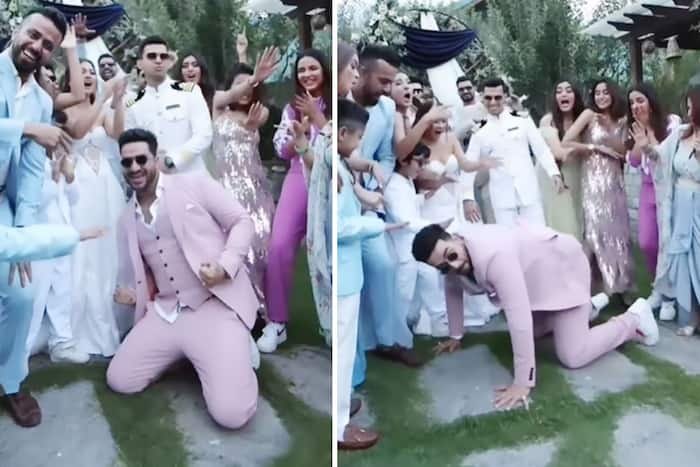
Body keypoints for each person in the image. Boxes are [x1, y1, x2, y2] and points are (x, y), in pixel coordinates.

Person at [412, 222, 659, 409]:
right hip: (538, 281)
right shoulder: (457, 256)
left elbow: (518, 317)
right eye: (443, 267)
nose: (453, 266)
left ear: (454, 238)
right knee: (535, 332)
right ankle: (588, 308)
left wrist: (523, 382)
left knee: (573, 355)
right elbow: (453, 289)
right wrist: (455, 335)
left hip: (563, 269)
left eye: (451, 256)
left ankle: (634, 320)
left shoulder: (495, 256)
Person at [107, 128, 260, 429]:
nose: (134, 167)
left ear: (156, 158)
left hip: (213, 305)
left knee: (231, 415)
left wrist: (224, 266)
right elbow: (148, 273)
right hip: (166, 313)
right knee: (121, 380)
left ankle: (237, 354)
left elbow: (242, 221)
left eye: (141, 159)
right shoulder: (126, 218)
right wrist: (135, 296)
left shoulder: (194, 184)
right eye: (127, 162)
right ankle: (186, 355)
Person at [0, 6, 71, 428]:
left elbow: (29, 172)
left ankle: (10, 381)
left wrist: (23, 231)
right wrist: (26, 129)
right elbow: (29, 137)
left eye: (48, 45)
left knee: (21, 295)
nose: (37, 46)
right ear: (16, 29)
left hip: (2, 205)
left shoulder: (43, 102)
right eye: (34, 35)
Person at [259, 48, 331, 352]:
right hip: (298, 176)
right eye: (302, 70)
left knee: (331, 250)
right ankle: (276, 321)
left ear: (324, 70)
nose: (307, 74)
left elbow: (343, 143)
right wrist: (298, 133)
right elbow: (280, 149)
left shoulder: (336, 103)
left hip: (331, 180)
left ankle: (334, 322)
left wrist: (319, 118)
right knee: (279, 246)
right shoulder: (291, 108)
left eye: (313, 68)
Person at [351, 45, 418, 371]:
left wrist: (376, 187)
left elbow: (388, 156)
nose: (388, 88)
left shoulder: (388, 108)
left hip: (370, 203)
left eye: (392, 81)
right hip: (338, 199)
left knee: (384, 266)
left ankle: (389, 340)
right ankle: (353, 343)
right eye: (383, 81)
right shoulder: (340, 101)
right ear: (362, 72)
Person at [62, 59, 128, 357]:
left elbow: (117, 133)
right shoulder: (64, 110)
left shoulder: (102, 108)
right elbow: (78, 133)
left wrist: (118, 101)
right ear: (71, 80)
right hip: (79, 187)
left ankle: (110, 317)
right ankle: (77, 327)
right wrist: (103, 96)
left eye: (91, 72)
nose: (88, 76)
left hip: (105, 188)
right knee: (83, 253)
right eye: (83, 72)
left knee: (109, 251)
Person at [337, 98, 391, 450]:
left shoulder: (341, 164)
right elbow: (340, 227)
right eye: (358, 138)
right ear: (343, 134)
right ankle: (339, 427)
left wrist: (365, 199)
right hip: (343, 276)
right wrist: (377, 226)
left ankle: (342, 403)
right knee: (343, 352)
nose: (359, 146)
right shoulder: (336, 173)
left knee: (345, 348)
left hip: (346, 273)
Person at [212, 61, 277, 313]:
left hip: (254, 195)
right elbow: (225, 97)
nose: (246, 90)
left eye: (251, 85)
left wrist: (250, 127)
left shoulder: (259, 113)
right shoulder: (218, 106)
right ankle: (233, 307)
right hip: (224, 193)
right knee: (228, 251)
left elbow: (260, 117)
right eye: (239, 84)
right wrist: (250, 78)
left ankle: (260, 310)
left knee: (258, 253)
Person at [563, 79, 634, 302]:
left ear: (613, 94)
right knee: (596, 233)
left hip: (615, 183)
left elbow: (624, 154)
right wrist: (596, 147)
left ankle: (623, 286)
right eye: (597, 93)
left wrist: (614, 136)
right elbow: (567, 141)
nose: (601, 97)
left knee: (619, 233)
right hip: (593, 183)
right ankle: (595, 287)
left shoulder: (622, 120)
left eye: (605, 92)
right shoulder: (588, 116)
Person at [463, 78, 564, 226]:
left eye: (497, 97)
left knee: (538, 236)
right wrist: (467, 198)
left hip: (528, 192)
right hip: (502, 198)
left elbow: (541, 149)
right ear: (482, 99)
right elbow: (468, 165)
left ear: (505, 97)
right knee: (510, 239)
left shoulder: (522, 120)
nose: (493, 102)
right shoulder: (479, 131)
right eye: (488, 98)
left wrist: (553, 172)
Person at [641, 86, 700, 336]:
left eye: (691, 107)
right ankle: (691, 318)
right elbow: (660, 156)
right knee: (682, 260)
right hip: (679, 205)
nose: (688, 112)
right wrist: (645, 146)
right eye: (687, 107)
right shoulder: (680, 133)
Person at [626, 83, 680, 320]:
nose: (636, 106)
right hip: (648, 188)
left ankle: (670, 295)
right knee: (648, 242)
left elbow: (666, 156)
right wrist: (640, 139)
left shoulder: (671, 123)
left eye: (640, 100)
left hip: (669, 188)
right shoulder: (635, 129)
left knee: (668, 241)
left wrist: (649, 138)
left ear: (651, 101)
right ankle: (658, 288)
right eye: (632, 103)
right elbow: (634, 161)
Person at [125, 36, 212, 174]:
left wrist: (172, 160)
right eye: (152, 56)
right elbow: (132, 146)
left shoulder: (189, 91)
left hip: (191, 176)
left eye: (163, 56)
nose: (158, 60)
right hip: (155, 180)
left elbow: (204, 135)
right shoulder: (133, 104)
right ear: (140, 64)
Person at [537, 80, 586, 240]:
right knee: (560, 220)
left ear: (576, 96)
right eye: (559, 91)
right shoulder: (548, 120)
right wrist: (586, 148)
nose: (563, 94)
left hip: (576, 172)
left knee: (576, 218)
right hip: (554, 176)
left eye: (568, 90)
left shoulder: (583, 120)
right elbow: (556, 152)